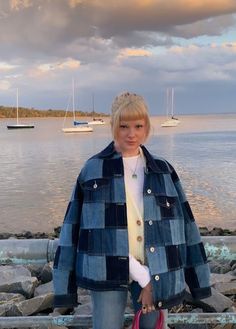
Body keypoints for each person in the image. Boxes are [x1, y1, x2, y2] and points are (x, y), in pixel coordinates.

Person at [53, 91, 211, 329]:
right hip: (107, 268)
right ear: (113, 124)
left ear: (147, 125)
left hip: (156, 268)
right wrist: (64, 288)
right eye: (124, 125)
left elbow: (186, 226)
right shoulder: (94, 169)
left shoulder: (163, 170)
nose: (132, 133)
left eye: (139, 125)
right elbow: (74, 229)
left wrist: (198, 281)